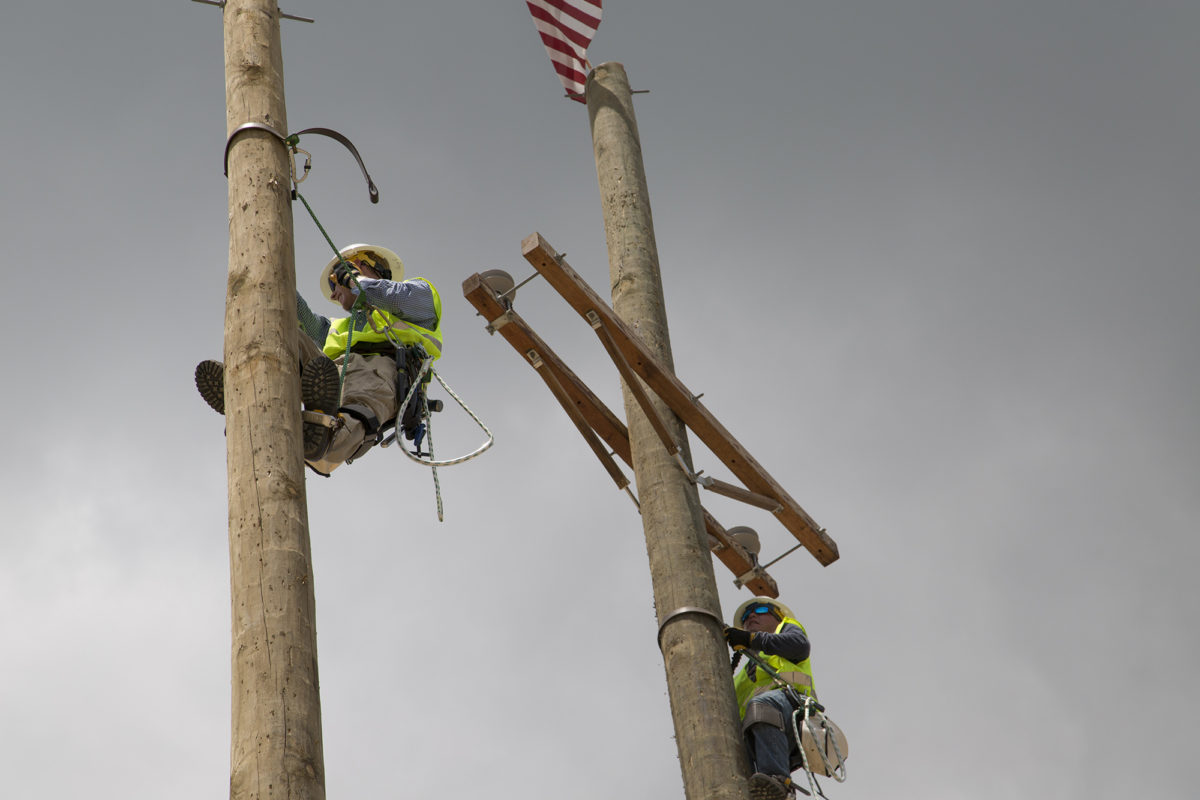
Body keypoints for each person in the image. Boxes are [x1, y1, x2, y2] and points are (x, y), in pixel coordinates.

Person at [195, 243, 443, 474]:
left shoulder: (418, 298)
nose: (334, 295)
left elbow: (396, 297)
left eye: (334, 284)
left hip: (379, 372)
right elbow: (300, 315)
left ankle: (319, 431)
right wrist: (270, 270)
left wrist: (358, 283)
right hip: (331, 376)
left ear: (362, 266)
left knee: (342, 431)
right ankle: (247, 388)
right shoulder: (338, 329)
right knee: (284, 331)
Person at [724, 596, 816, 800]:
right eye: (746, 616)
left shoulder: (788, 629)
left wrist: (751, 639)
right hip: (762, 735)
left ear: (778, 616)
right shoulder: (741, 678)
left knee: (761, 705)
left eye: (761, 609)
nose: (752, 616)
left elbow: (799, 645)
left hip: (794, 716)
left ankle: (778, 782)